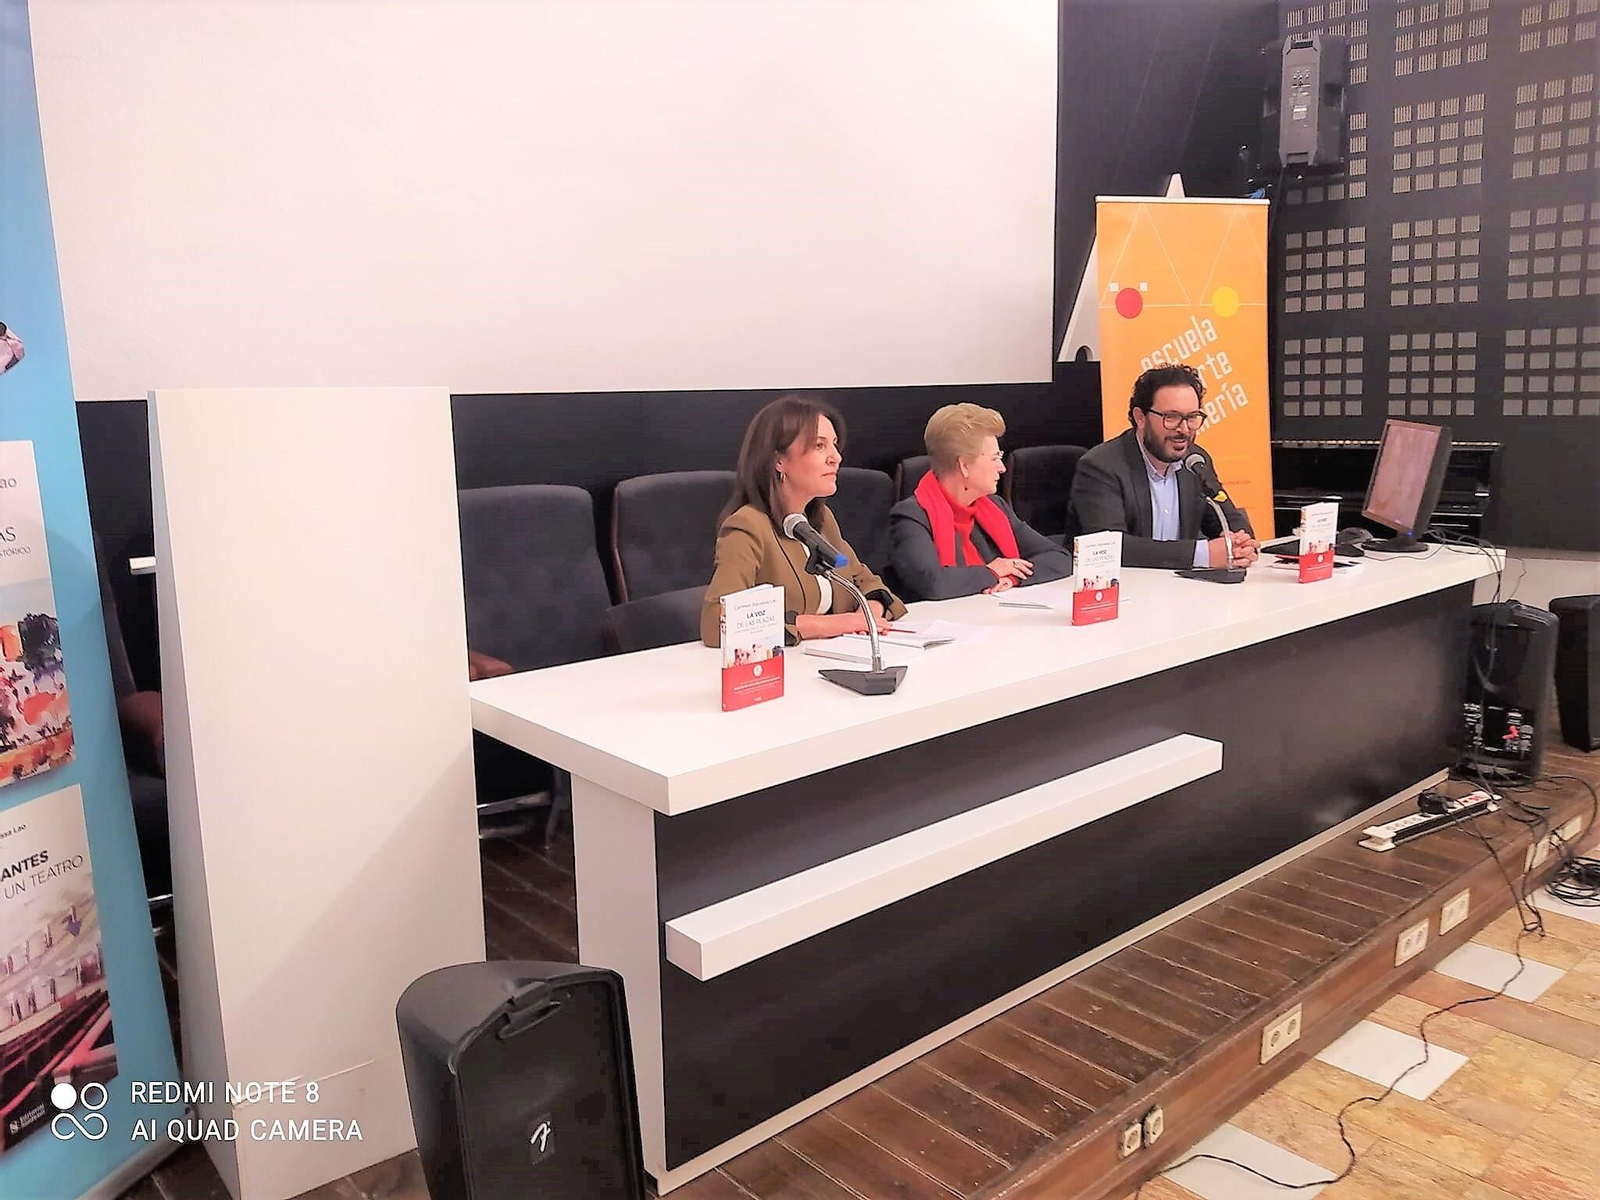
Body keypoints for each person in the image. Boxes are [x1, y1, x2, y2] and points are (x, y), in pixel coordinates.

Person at [701, 395, 906, 646]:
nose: (836, 457)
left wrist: (869, 614)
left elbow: (865, 581)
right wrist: (840, 624)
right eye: (820, 446)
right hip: (784, 666)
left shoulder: (821, 520)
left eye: (835, 445)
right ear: (778, 460)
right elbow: (717, 623)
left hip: (840, 655)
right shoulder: (748, 526)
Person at [1068, 363, 1259, 570]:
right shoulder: (1101, 466)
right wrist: (1202, 555)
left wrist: (1241, 544)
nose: (1184, 429)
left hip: (1178, 585)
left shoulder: (1195, 460)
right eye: (1172, 417)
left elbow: (1229, 518)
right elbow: (1109, 547)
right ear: (1140, 418)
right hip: (1123, 585)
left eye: (1192, 417)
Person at [888, 403, 1071, 601]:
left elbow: (1059, 557)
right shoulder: (911, 517)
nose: (1002, 468)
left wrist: (1012, 578)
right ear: (965, 465)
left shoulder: (995, 506)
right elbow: (933, 583)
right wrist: (991, 572)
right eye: (995, 458)